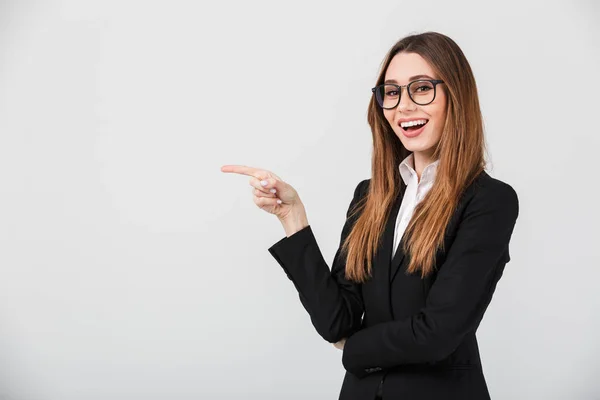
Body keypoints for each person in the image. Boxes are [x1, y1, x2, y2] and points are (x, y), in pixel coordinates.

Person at [221, 31, 519, 400]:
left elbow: (438, 334)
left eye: (421, 88)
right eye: (391, 92)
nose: (403, 106)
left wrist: (354, 349)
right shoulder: (371, 195)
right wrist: (291, 216)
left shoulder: (489, 201)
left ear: (455, 95)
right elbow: (337, 319)